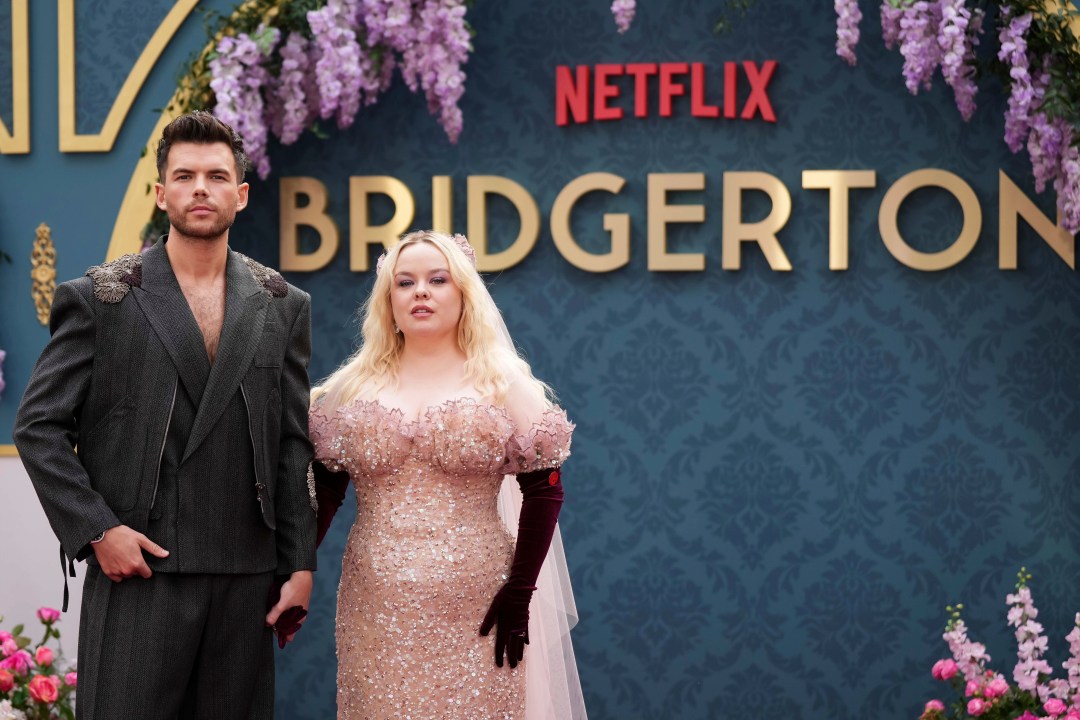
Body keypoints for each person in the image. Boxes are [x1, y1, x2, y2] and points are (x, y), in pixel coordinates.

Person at [13, 110, 317, 719]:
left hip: (244, 579)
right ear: (161, 193)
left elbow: (291, 445)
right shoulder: (102, 298)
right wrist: (98, 530)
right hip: (138, 572)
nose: (200, 188)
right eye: (184, 176)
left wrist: (300, 563)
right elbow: (37, 427)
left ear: (241, 193)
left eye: (215, 175)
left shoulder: (282, 305)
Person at [309, 230, 587, 719]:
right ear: (387, 299)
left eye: (438, 280)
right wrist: (294, 569)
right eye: (405, 282)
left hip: (479, 602)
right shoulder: (350, 390)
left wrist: (520, 593)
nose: (421, 291)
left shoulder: (503, 385)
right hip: (377, 605)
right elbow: (327, 491)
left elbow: (545, 492)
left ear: (463, 293)